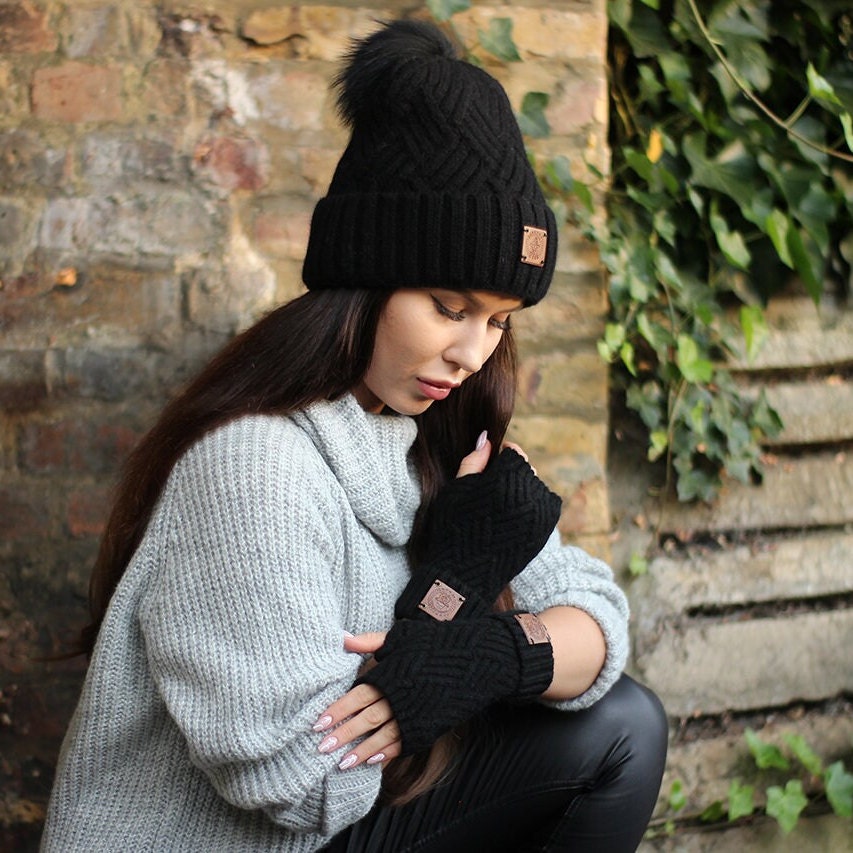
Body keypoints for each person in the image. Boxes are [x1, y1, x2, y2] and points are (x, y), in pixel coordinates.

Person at [41, 19, 667, 853]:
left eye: (496, 320)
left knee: (624, 719)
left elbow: (598, 623)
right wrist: (453, 599)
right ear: (363, 280)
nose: (469, 351)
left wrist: (481, 657)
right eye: (448, 307)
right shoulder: (257, 465)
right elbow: (295, 781)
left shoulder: (433, 438)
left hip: (350, 819)